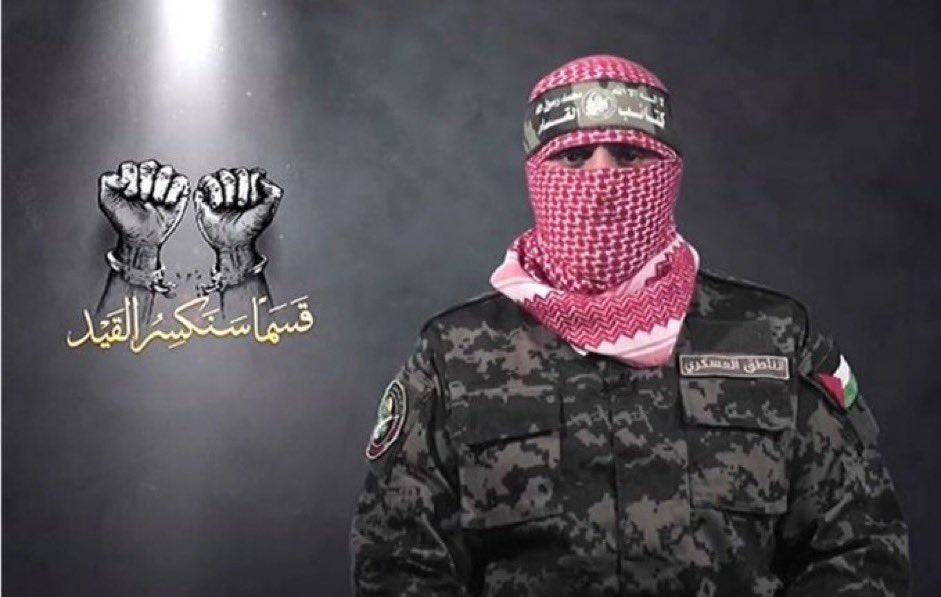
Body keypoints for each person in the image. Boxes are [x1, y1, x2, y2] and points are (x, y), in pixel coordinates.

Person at [349, 54, 910, 596]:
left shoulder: (771, 335)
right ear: (536, 174)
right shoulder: (454, 354)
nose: (601, 176)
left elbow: (860, 545)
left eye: (627, 153)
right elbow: (398, 560)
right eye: (574, 156)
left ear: (670, 172)